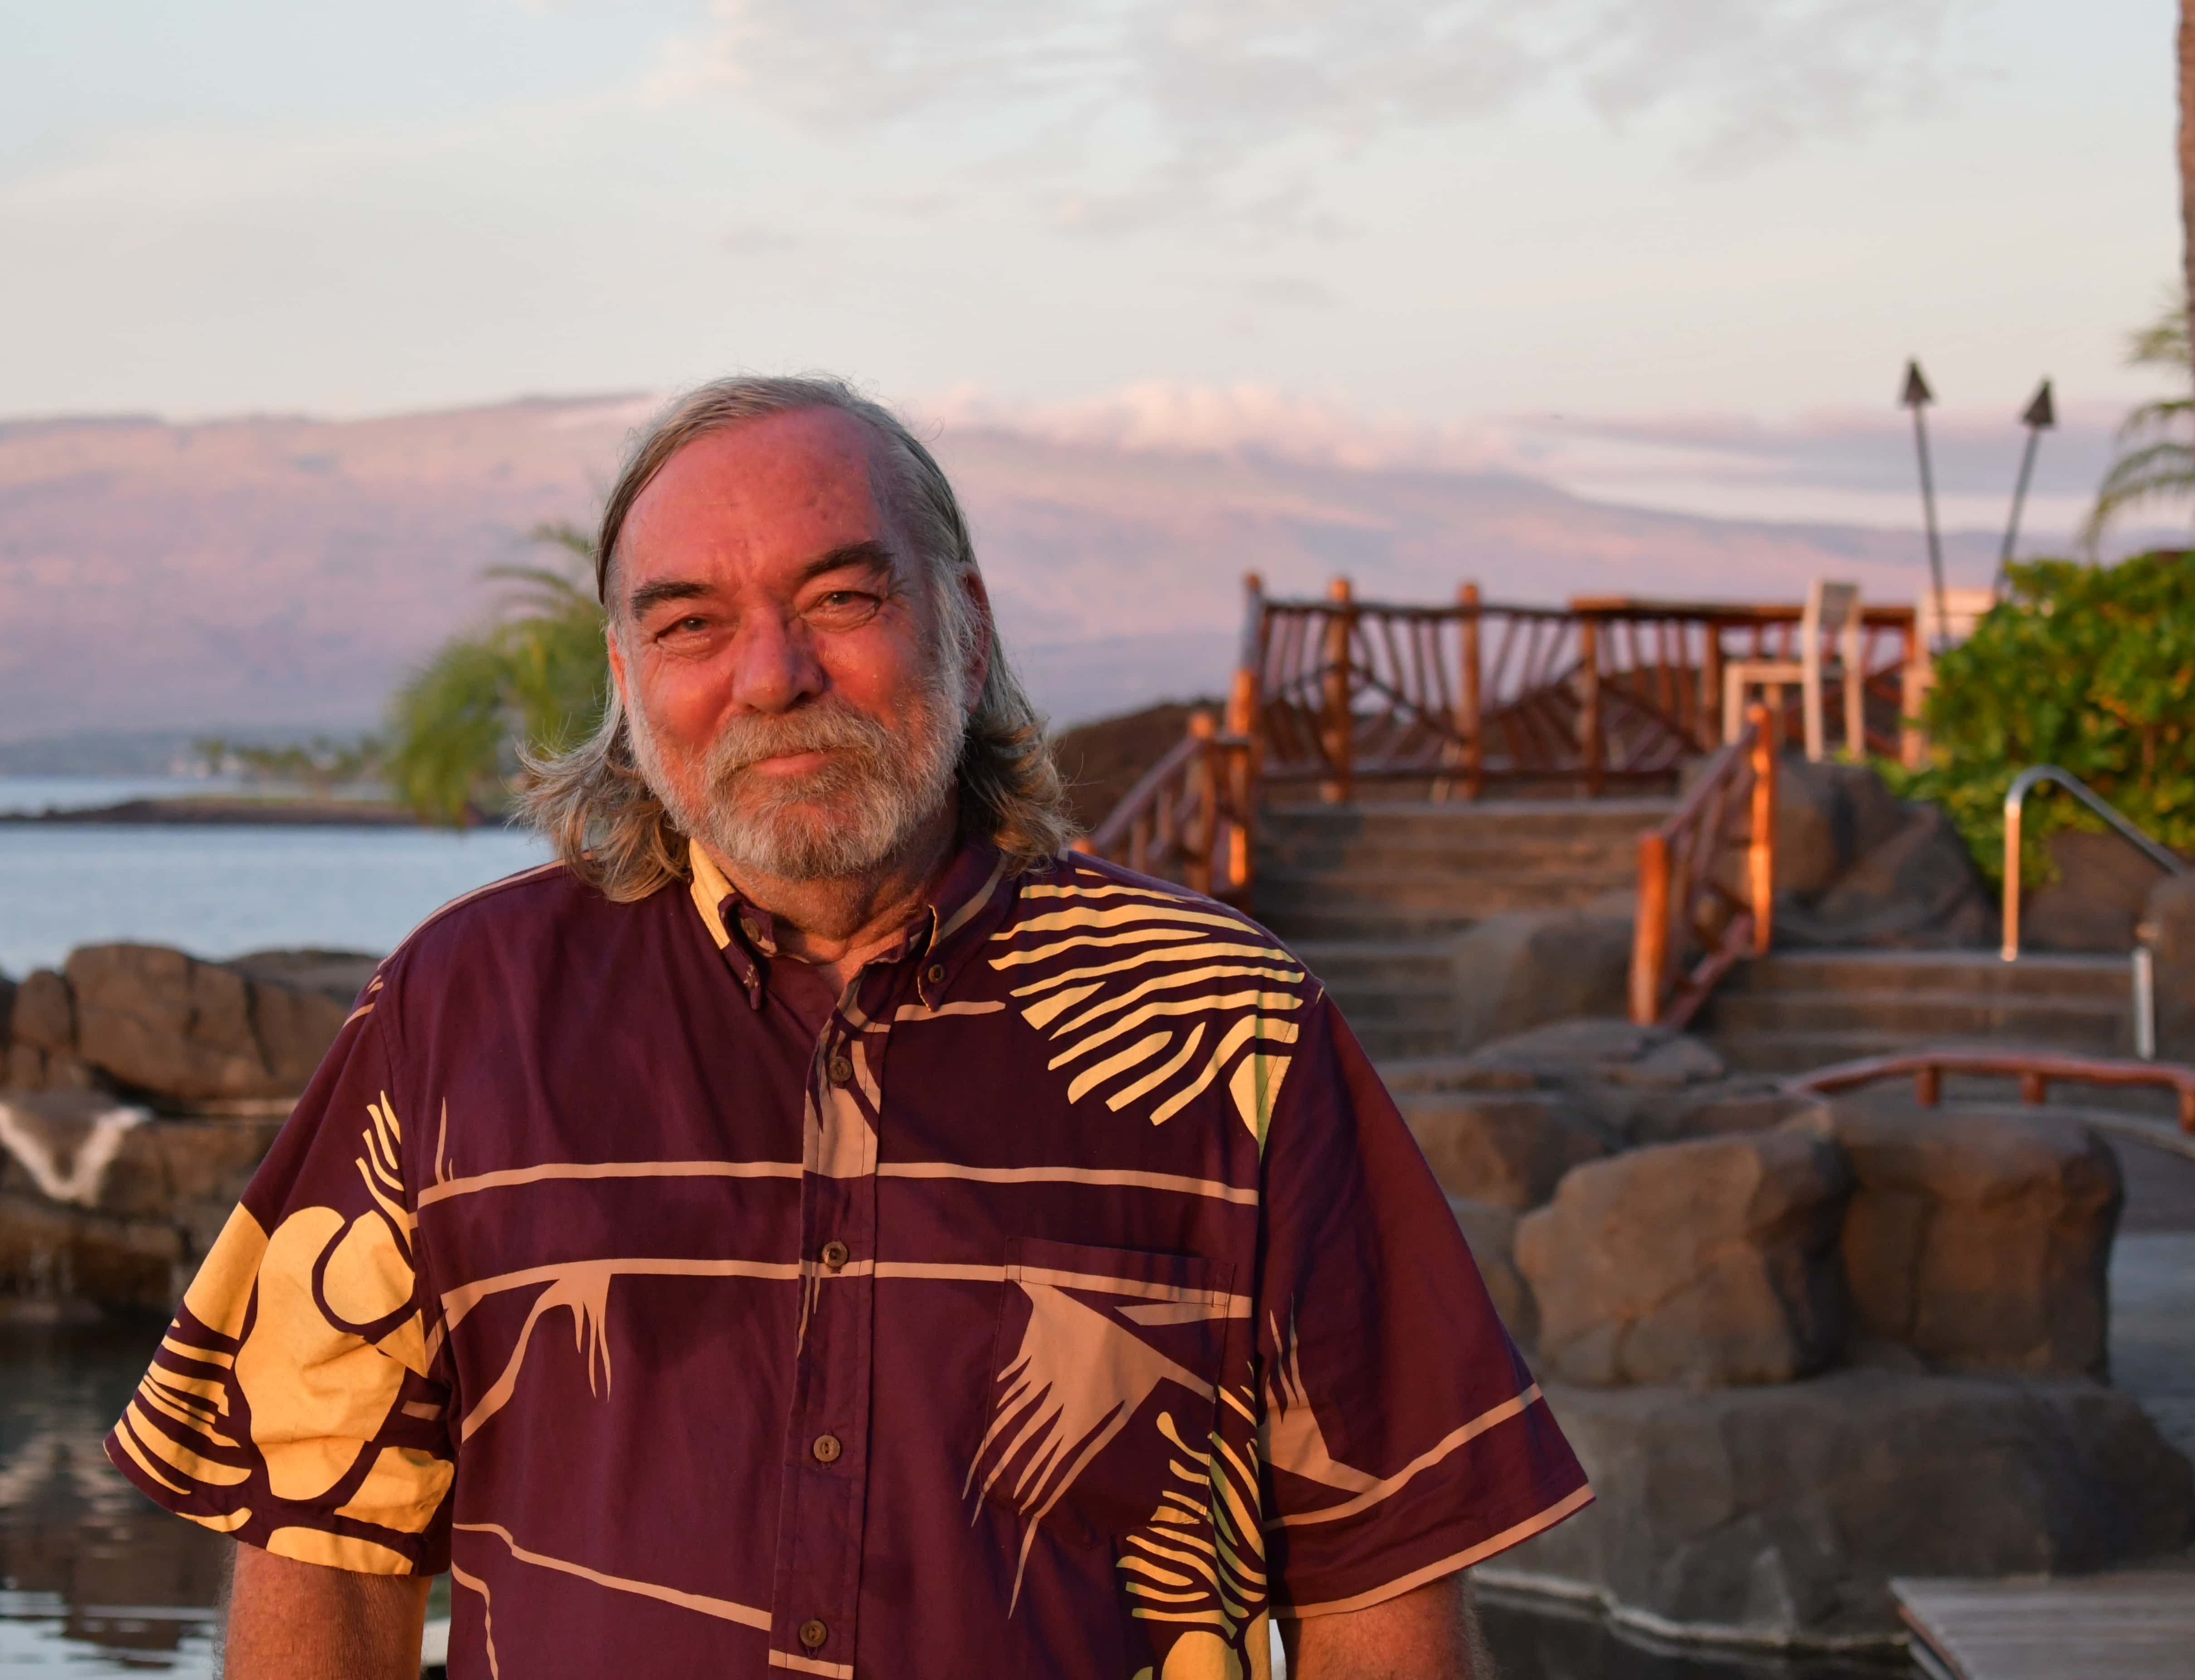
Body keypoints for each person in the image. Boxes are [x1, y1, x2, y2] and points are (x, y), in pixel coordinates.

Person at [105, 375, 1589, 1679]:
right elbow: (320, 1546)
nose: (773, 676)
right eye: (691, 624)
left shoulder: (1228, 1025)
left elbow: (1376, 1583)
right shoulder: (456, 1014)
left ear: (967, 621)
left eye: (842, 600)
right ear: (626, 681)